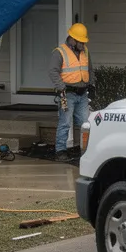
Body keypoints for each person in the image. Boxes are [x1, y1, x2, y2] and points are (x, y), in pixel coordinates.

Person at [49, 23, 93, 161]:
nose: (83, 44)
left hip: (82, 94)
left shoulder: (85, 51)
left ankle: (87, 150)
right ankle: (60, 151)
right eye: (81, 41)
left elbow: (90, 70)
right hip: (67, 93)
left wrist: (92, 85)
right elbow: (53, 71)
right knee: (65, 122)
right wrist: (61, 87)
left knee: (86, 123)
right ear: (73, 39)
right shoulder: (59, 52)